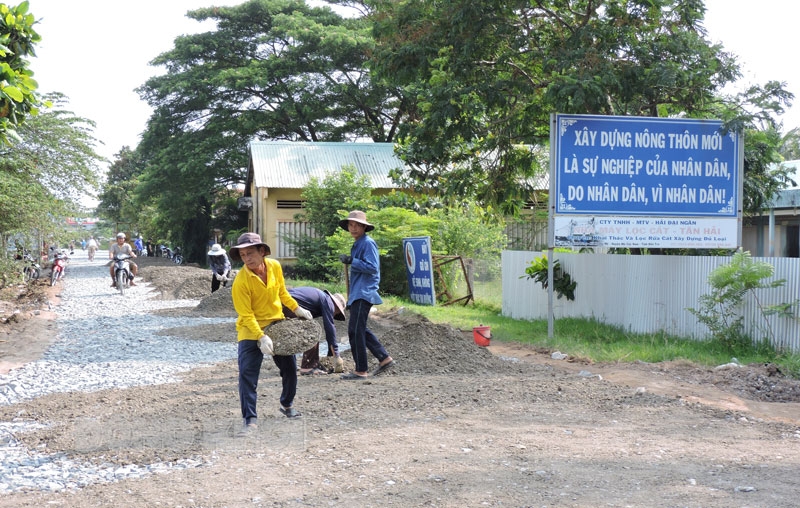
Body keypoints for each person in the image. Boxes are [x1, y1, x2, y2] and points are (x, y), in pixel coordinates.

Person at [229, 232, 314, 430]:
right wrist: (261, 336)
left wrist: (296, 308)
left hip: (277, 325)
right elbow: (246, 315)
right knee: (247, 375)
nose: (247, 258)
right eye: (242, 255)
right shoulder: (241, 282)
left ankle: (287, 404)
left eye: (250, 253)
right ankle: (250, 419)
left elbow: (282, 292)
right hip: (251, 331)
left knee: (290, 369)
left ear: (262, 251)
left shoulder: (274, 266)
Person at [338, 210, 394, 380]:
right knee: (359, 329)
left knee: (354, 330)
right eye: (351, 225)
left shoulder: (368, 243)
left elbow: (372, 267)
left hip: (365, 291)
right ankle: (384, 358)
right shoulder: (358, 243)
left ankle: (361, 370)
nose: (353, 228)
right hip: (358, 292)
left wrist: (352, 261)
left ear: (364, 227)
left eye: (357, 225)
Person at [285, 288, 347, 375]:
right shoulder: (328, 302)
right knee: (313, 333)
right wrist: (336, 355)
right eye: (337, 312)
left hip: (282, 301)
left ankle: (289, 365)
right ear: (336, 305)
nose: (335, 314)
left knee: (291, 334)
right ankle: (308, 367)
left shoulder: (320, 297)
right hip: (290, 304)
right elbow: (330, 328)